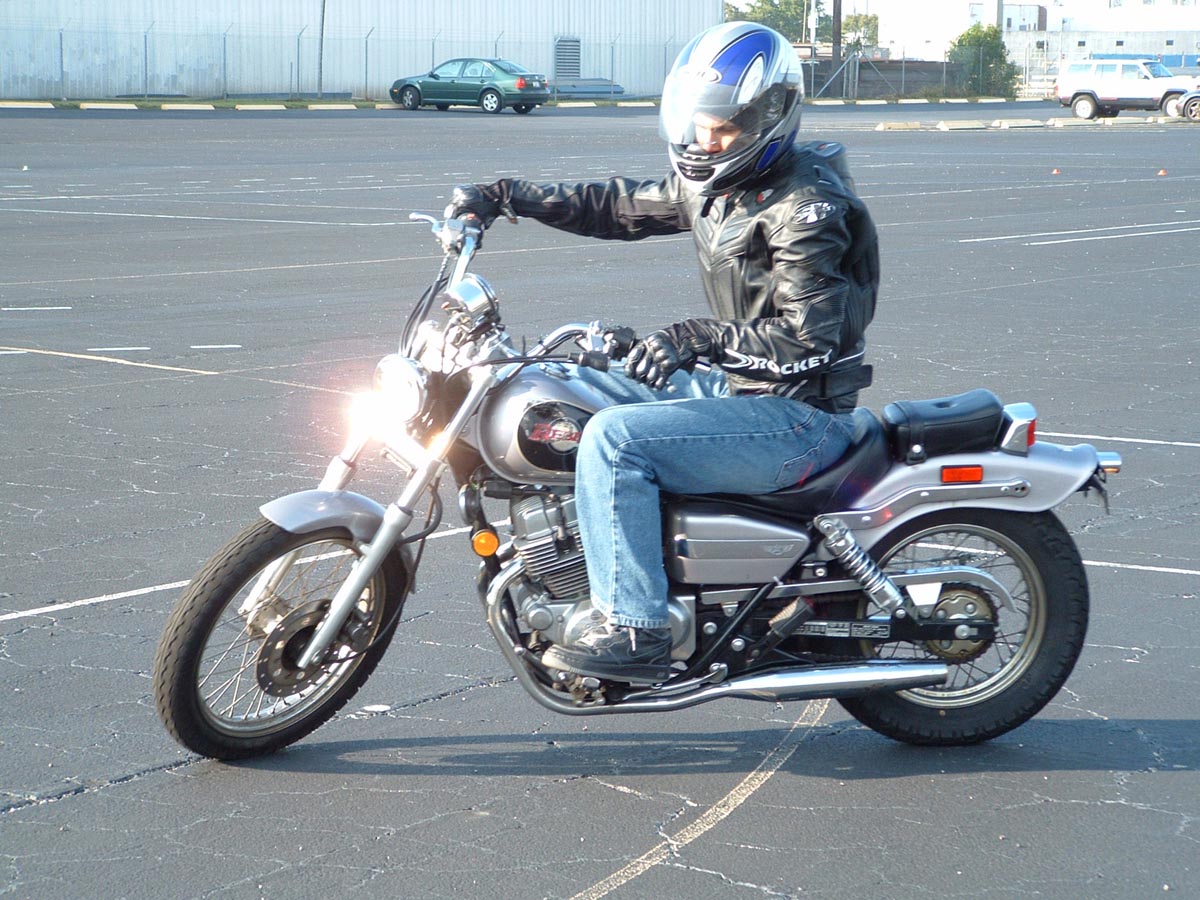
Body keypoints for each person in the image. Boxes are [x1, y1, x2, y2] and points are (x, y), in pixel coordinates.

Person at [448, 21, 880, 684]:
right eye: (696, 124)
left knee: (615, 441)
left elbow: (808, 341)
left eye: (721, 128)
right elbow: (617, 207)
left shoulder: (806, 208)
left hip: (798, 417)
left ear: (769, 119)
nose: (703, 142)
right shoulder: (724, 184)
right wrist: (509, 196)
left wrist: (696, 337)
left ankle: (636, 625)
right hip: (744, 388)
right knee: (569, 382)